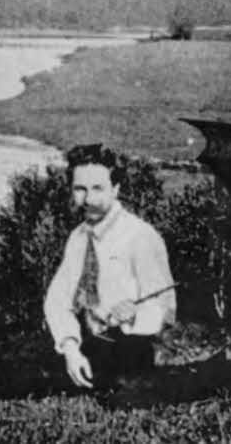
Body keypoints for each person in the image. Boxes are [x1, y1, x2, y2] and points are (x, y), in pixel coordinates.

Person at [44, 144, 176, 390]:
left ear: (116, 189)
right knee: (5, 355)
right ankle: (82, 373)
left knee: (123, 379)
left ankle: (101, 381)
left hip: (132, 341)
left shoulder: (140, 235)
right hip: (93, 339)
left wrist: (135, 315)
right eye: (80, 189)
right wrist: (71, 349)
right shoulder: (78, 237)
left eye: (98, 188)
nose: (89, 199)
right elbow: (58, 300)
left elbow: (166, 310)